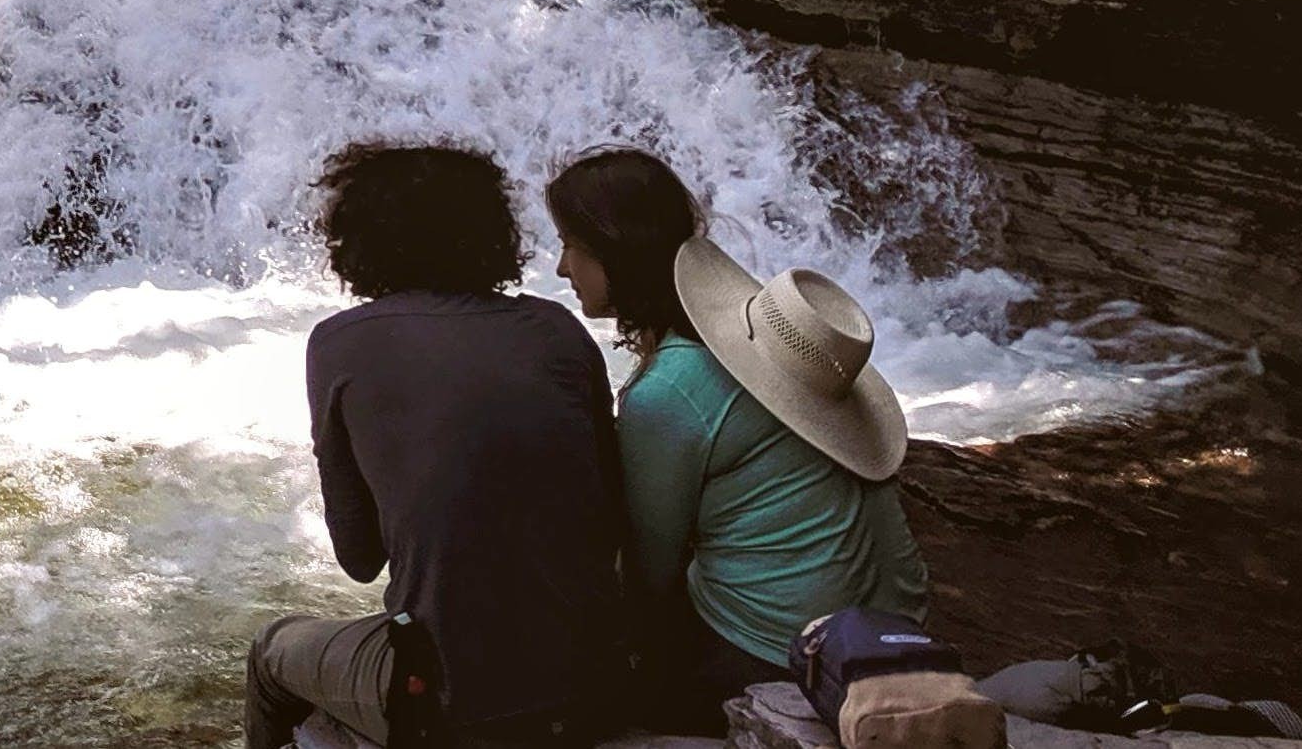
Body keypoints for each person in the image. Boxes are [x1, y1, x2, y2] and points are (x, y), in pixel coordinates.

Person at [246, 143, 627, 749]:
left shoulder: (340, 344)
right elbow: (610, 516)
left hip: (448, 703)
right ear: (495, 235)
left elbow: (359, 556)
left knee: (272, 652)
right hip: (596, 685)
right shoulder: (558, 330)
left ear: (357, 241)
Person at [543, 149, 932, 726]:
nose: (560, 268)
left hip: (779, 654)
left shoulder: (671, 390)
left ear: (615, 252)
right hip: (901, 626)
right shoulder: (772, 350)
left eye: (571, 244)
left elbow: (651, 573)